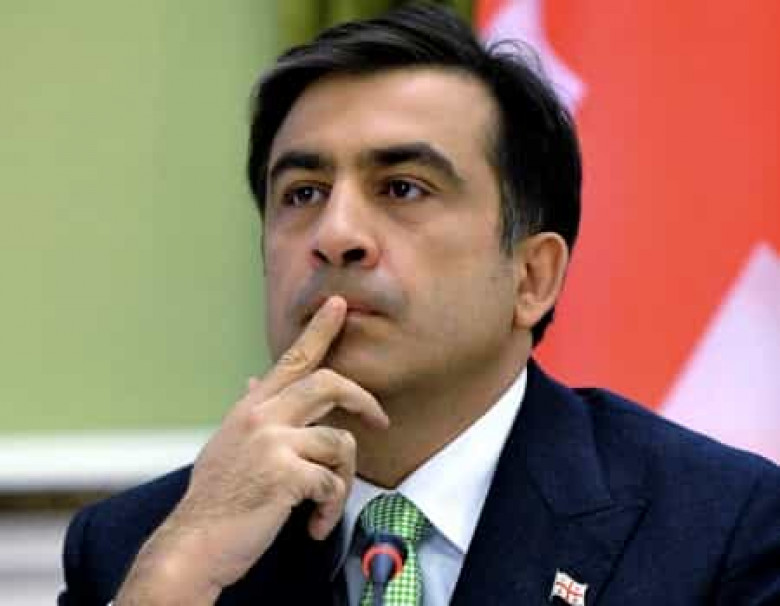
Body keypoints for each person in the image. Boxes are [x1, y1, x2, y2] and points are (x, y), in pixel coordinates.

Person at [59, 4, 780, 605]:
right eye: (303, 194)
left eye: (402, 188)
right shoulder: (139, 548)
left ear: (532, 277)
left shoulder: (719, 531)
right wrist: (171, 582)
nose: (336, 235)